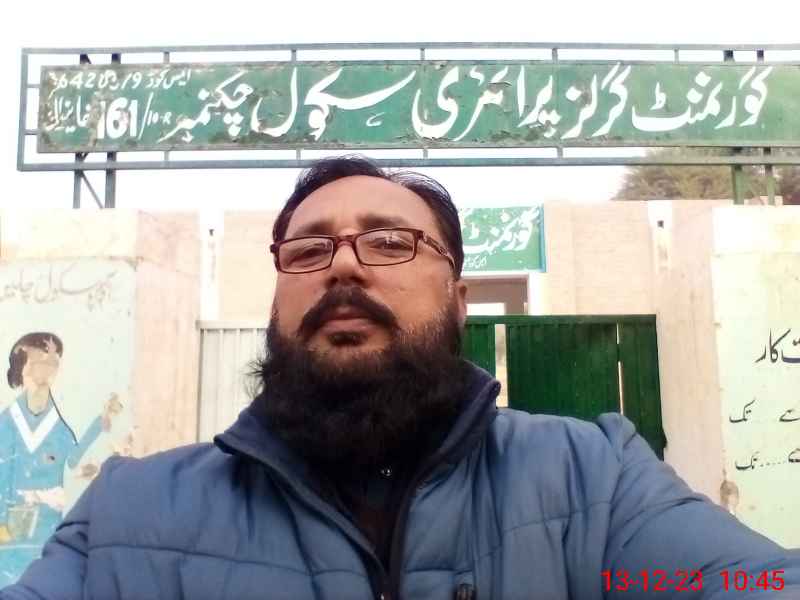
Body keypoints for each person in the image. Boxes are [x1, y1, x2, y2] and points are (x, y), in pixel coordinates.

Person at [2, 156, 798, 599]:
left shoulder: (595, 480)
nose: (343, 264)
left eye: (389, 243)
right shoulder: (128, 517)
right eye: (309, 249)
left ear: (459, 300)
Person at [0, 333, 106, 586]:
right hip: (10, 536)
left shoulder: (57, 425)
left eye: (53, 362)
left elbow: (72, 460)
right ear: (22, 368)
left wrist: (99, 425)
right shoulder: (7, 423)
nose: (47, 369)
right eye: (39, 361)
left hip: (48, 533)